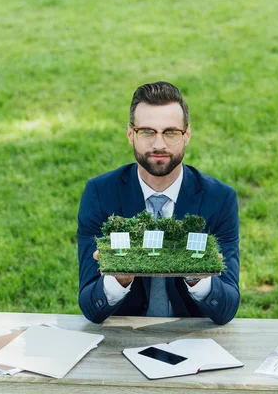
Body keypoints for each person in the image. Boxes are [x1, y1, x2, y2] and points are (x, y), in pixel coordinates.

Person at [77, 82, 240, 325]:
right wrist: (117, 279)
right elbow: (91, 306)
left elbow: (226, 308)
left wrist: (199, 279)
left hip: (193, 340)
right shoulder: (100, 194)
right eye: (148, 132)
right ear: (131, 134)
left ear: (187, 136)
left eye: (170, 132)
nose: (159, 145)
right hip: (122, 339)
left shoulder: (219, 199)